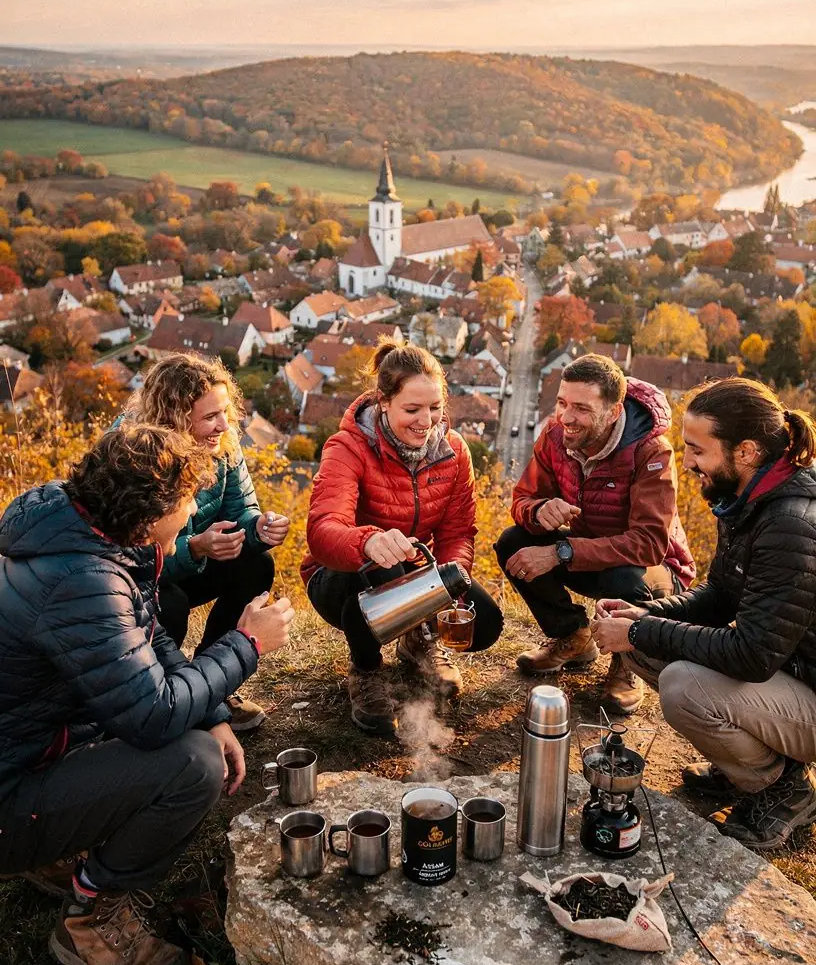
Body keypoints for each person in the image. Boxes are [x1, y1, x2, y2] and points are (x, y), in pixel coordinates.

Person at [0, 424, 295, 965]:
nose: (189, 517)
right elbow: (153, 715)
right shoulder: (81, 580)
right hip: (10, 789)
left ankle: (56, 847)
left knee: (197, 733)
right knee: (194, 765)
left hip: (31, 745)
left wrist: (210, 708)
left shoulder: (80, 531)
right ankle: (91, 914)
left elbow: (145, 631)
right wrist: (247, 645)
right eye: (186, 502)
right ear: (151, 508)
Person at [592, 377, 816, 851]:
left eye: (697, 450)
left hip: (803, 688)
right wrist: (643, 615)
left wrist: (642, 630)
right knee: (643, 646)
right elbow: (717, 597)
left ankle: (783, 790)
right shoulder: (747, 499)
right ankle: (746, 766)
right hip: (788, 673)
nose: (688, 462)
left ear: (747, 451)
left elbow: (752, 655)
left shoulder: (790, 524)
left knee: (683, 685)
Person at [302, 341, 504, 737]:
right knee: (385, 565)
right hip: (342, 578)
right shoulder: (347, 447)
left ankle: (418, 640)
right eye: (411, 410)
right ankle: (365, 669)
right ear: (383, 403)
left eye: (434, 408)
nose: (425, 421)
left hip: (412, 573)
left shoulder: (454, 452)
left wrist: (449, 589)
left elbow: (458, 532)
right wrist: (367, 541)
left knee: (488, 624)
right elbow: (323, 529)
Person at [494, 354, 694, 714]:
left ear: (614, 411)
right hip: (589, 553)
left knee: (625, 575)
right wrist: (540, 511)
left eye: (582, 409)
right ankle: (573, 636)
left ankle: (626, 664)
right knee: (513, 543)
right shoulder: (555, 436)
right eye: (562, 403)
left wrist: (561, 552)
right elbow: (523, 498)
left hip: (655, 571)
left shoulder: (651, 451)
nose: (566, 417)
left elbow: (648, 544)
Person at [120, 352, 290, 733]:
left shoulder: (224, 445)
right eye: (210, 417)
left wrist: (258, 528)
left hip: (196, 557)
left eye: (225, 412)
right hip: (144, 578)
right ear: (175, 417)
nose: (223, 425)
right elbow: (132, 555)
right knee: (172, 604)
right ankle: (164, 696)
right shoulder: (136, 452)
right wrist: (196, 547)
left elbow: (241, 508)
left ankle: (213, 684)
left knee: (256, 565)